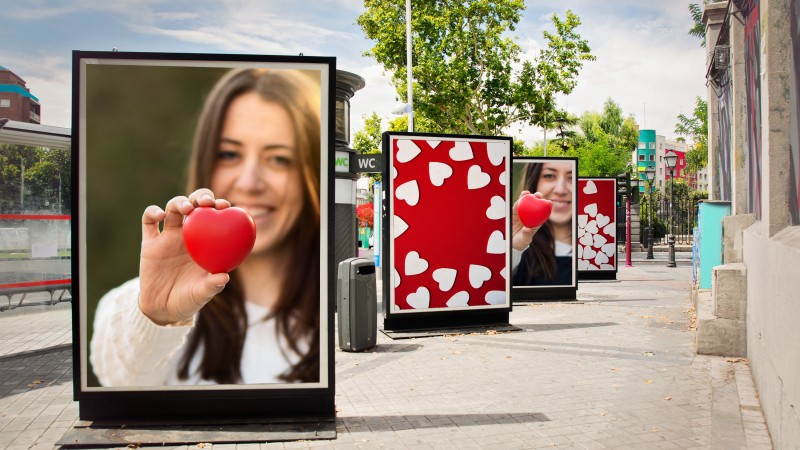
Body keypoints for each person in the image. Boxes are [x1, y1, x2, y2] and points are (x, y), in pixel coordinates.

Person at [90, 68, 322, 386]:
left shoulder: (331, 311)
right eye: (229, 154)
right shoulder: (129, 309)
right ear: (204, 162)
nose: (250, 182)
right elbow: (120, 383)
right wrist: (157, 316)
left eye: (279, 158)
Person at [511, 161, 574, 286]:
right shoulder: (523, 250)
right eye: (549, 175)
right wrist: (514, 248)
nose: (560, 190)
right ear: (534, 181)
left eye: (571, 178)